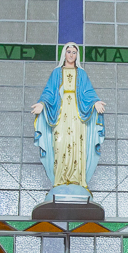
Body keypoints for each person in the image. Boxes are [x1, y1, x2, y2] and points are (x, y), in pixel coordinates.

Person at [31, 42, 106, 197]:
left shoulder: (82, 74)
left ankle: (77, 180)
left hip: (77, 113)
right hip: (61, 111)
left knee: (77, 144)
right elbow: (49, 92)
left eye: (74, 52)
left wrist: (95, 102)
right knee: (59, 144)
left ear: (77, 55)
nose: (71, 55)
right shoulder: (57, 73)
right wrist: (42, 104)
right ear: (64, 54)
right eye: (69, 51)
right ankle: (59, 179)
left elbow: (88, 92)